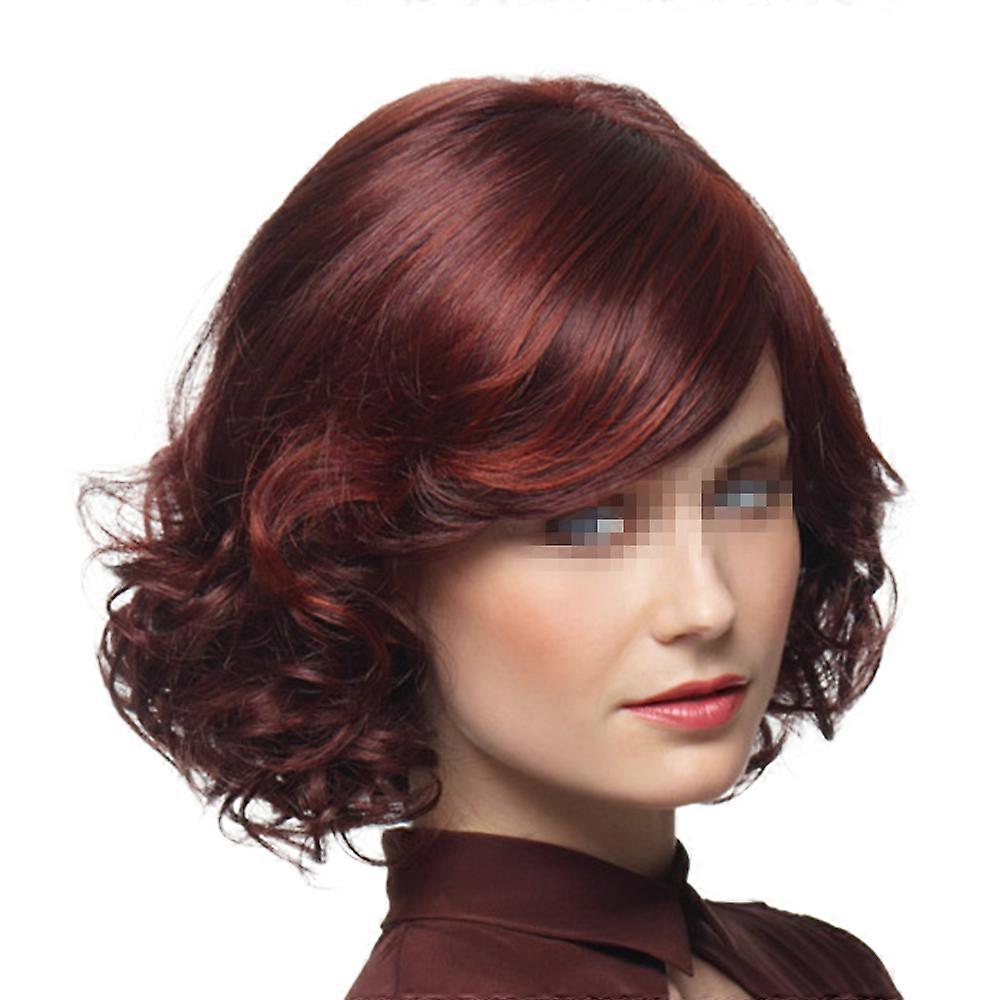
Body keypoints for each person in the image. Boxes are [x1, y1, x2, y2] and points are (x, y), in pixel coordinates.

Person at [77, 74, 906, 1000]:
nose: (706, 605)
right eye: (587, 518)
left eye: (746, 490)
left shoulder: (825, 973)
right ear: (369, 552)